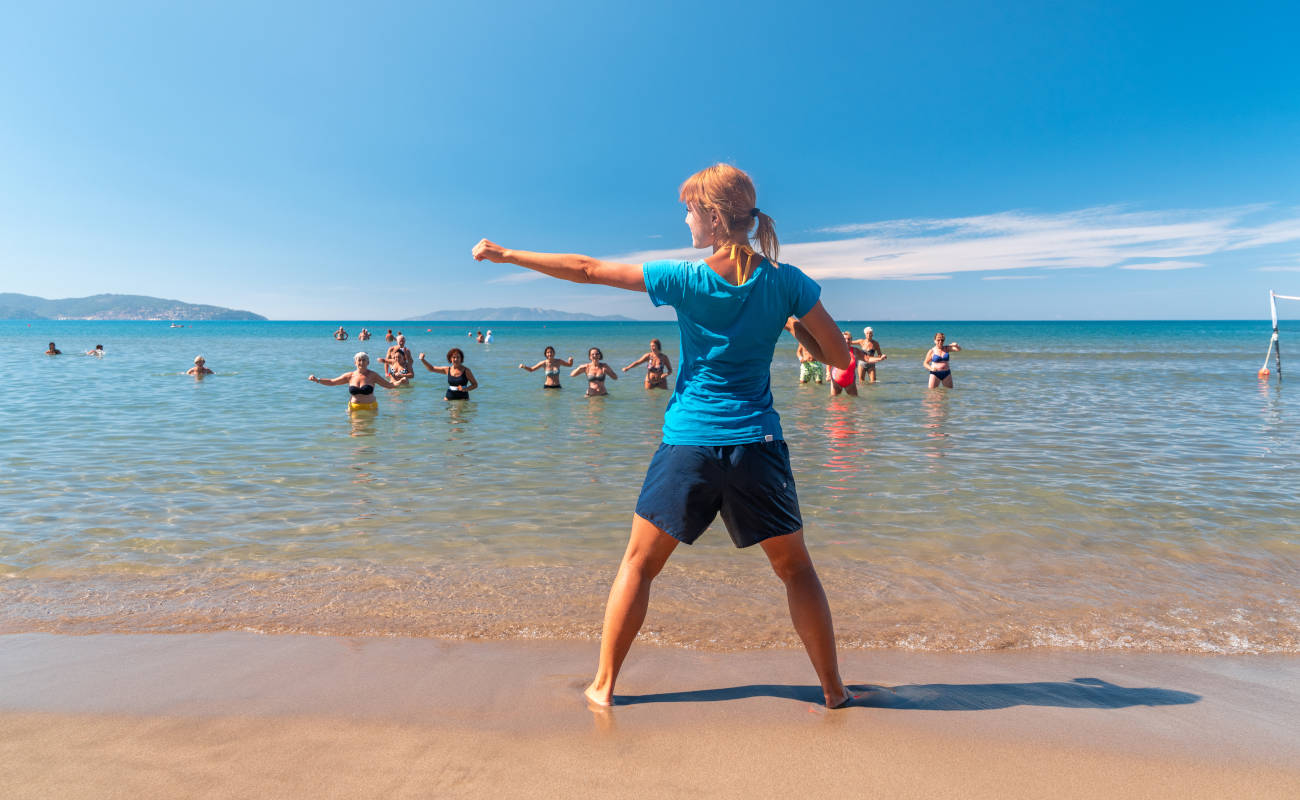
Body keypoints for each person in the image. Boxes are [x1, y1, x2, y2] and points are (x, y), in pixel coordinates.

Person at [471, 162, 856, 709]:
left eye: (689, 209)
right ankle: (834, 690)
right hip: (757, 447)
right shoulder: (787, 282)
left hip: (689, 444)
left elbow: (585, 269)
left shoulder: (684, 277)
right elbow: (841, 360)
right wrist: (794, 323)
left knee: (638, 564)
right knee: (795, 569)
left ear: (714, 215)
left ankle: (604, 687)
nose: (685, 218)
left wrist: (508, 255)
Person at [308, 352, 406, 411]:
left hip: (370, 408)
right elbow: (332, 382)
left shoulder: (373, 375)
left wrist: (400, 381)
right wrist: (318, 380)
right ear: (355, 362)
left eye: (364, 360)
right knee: (355, 436)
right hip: (353, 408)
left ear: (368, 362)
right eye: (359, 360)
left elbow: (388, 385)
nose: (361, 362)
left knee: (369, 435)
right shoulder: (349, 376)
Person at [828, 331, 867, 397]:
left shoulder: (855, 351)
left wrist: (879, 358)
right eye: (844, 339)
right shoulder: (836, 350)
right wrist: (828, 373)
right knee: (833, 400)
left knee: (854, 399)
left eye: (849, 339)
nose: (847, 341)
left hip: (850, 379)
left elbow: (867, 359)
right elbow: (829, 361)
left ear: (851, 340)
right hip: (836, 379)